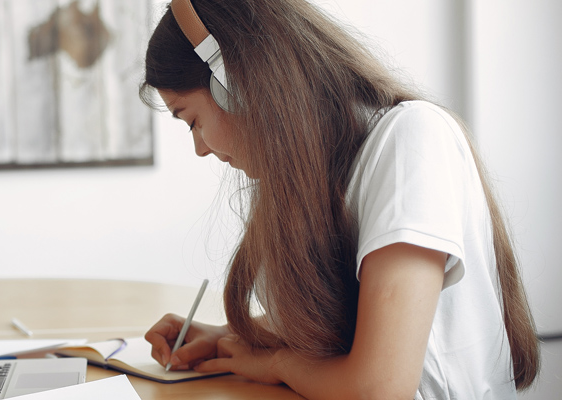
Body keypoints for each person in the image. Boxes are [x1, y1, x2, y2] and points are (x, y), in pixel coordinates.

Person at [140, 0, 540, 399]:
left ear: (235, 87)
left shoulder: (413, 141)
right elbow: (346, 324)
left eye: (192, 120)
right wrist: (232, 336)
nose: (200, 149)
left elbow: (379, 389)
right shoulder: (319, 172)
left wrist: (278, 364)